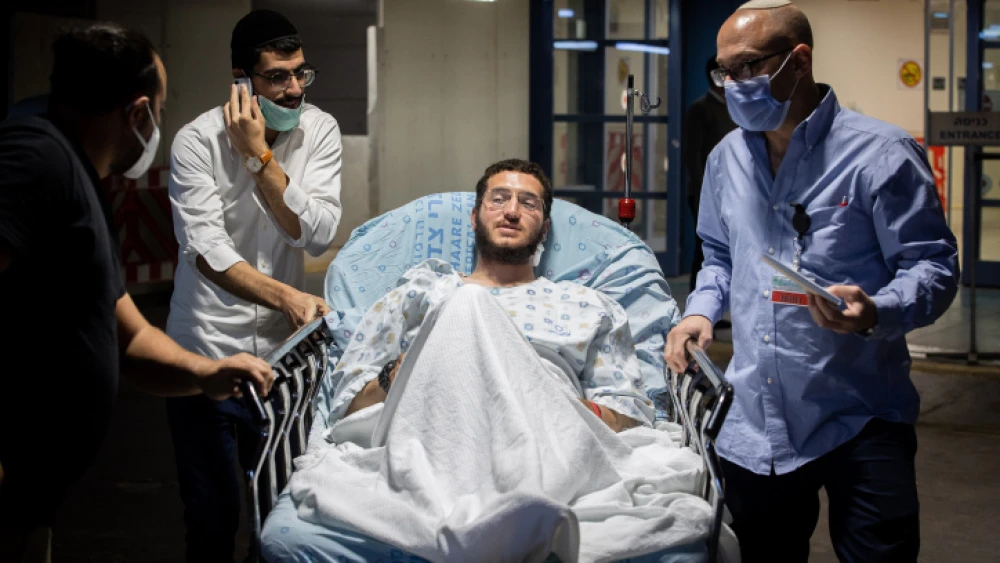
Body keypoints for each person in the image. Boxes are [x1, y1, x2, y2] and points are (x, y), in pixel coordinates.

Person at [665, 1, 959, 562]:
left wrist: (878, 309)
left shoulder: (881, 154)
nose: (732, 85)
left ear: (798, 61)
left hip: (862, 412)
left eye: (748, 67)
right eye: (724, 72)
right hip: (758, 419)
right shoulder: (726, 159)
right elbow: (719, 255)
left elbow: (935, 268)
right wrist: (700, 310)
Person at [0, 23, 273, 560]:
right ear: (137, 112)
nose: (159, 127)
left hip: (30, 505)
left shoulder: (79, 178)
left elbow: (124, 335)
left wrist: (205, 373)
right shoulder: (36, 158)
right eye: (161, 111)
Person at [164, 9, 343, 561]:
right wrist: (287, 295)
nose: (294, 90)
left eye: (300, 73)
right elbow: (208, 255)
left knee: (281, 520)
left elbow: (316, 233)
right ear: (241, 80)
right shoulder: (195, 142)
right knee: (212, 520)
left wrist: (261, 157)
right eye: (277, 77)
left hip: (284, 365)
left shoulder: (320, 130)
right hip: (206, 355)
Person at [334, 158, 653, 432]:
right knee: (467, 299)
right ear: (474, 218)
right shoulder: (422, 291)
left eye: (528, 204)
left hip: (549, 432)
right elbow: (348, 407)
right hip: (435, 427)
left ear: (544, 229)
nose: (512, 211)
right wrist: (396, 375)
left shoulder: (588, 306)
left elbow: (631, 416)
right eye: (498, 199)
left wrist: (565, 409)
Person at [682, 56, 736, 299]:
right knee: (705, 251)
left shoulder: (732, 107)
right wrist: (704, 192)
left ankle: (719, 304)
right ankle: (699, 303)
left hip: (730, 190)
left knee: (727, 249)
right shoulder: (700, 108)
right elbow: (691, 155)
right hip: (704, 192)